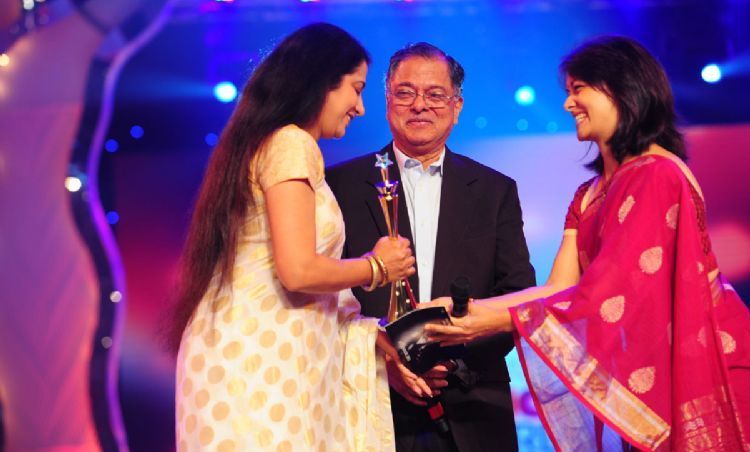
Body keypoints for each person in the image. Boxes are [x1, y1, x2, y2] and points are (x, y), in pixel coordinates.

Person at [425, 35, 750, 451]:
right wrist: (469, 311)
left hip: (701, 369)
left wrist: (489, 323)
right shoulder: (588, 195)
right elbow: (559, 290)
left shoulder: (657, 174)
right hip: (653, 373)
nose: (567, 104)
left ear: (623, 89)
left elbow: (611, 294)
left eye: (578, 89)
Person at [168, 23, 429, 451]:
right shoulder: (292, 143)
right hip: (257, 363)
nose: (360, 108)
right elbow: (298, 270)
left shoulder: (271, 143)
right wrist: (378, 267)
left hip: (264, 353)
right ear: (322, 82)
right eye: (356, 89)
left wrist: (372, 337)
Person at [326, 42, 536, 451]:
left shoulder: (494, 190)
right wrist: (381, 360)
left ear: (457, 106)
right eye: (405, 93)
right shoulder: (339, 185)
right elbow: (323, 298)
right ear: (387, 102)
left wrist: (449, 359)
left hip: (472, 405)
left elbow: (517, 296)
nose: (419, 105)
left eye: (435, 94)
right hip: (369, 402)